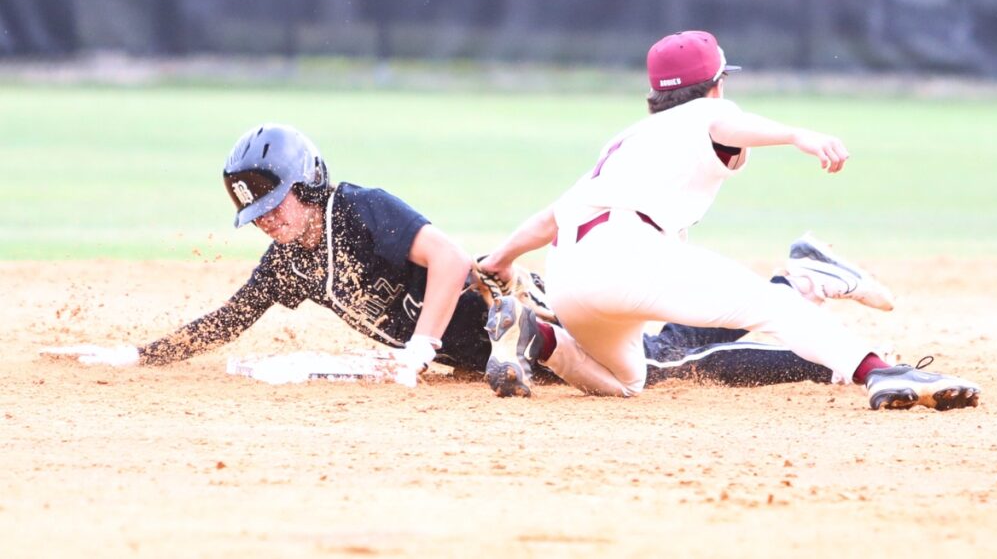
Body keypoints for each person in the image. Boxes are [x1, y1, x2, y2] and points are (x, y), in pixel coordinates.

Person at [45, 123, 892, 390]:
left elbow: (448, 259)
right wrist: (135, 352)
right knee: (666, 362)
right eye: (259, 215)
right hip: (488, 352)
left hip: (524, 318)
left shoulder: (363, 210)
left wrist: (417, 347)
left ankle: (800, 288)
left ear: (309, 184)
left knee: (678, 358)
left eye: (277, 204)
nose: (270, 224)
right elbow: (225, 320)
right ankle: (795, 283)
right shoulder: (289, 265)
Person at [478, 30, 981, 410]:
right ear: (715, 85)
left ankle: (536, 336)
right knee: (773, 305)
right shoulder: (706, 114)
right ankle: (881, 372)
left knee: (628, 381)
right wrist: (796, 135)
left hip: (569, 273)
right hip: (630, 254)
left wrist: (499, 259)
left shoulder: (627, 140)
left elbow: (551, 216)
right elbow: (724, 123)